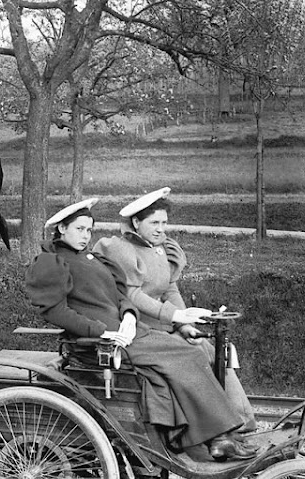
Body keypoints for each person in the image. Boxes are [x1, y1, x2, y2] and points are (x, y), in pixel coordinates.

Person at [24, 198, 257, 461]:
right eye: (79, 229)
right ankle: (219, 438)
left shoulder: (92, 258)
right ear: (62, 229)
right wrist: (100, 331)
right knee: (188, 355)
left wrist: (129, 316)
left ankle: (214, 434)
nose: (85, 235)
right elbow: (55, 311)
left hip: (128, 333)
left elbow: (122, 296)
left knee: (190, 350)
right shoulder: (52, 261)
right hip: (102, 344)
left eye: (89, 230)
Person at [93, 187, 256, 431]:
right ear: (135, 222)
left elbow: (171, 289)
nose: (161, 228)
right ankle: (211, 429)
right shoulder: (121, 249)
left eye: (164, 222)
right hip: (137, 327)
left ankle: (242, 421)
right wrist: (174, 316)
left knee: (213, 350)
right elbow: (132, 294)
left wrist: (184, 325)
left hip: (163, 325)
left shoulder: (162, 248)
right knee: (194, 356)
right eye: (154, 222)